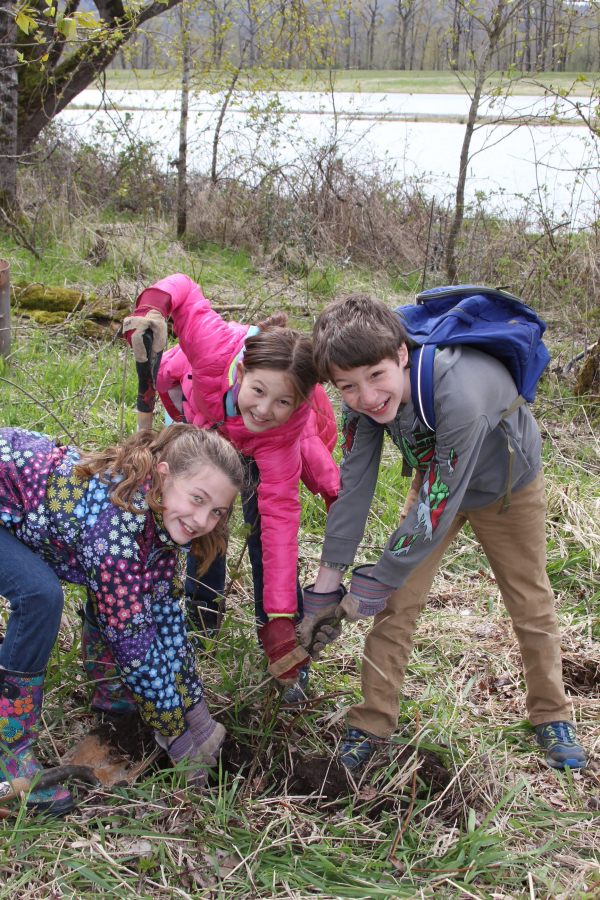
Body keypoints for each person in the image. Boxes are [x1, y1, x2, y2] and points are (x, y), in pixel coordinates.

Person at [300, 293, 587, 772]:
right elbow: (354, 486)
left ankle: (552, 714)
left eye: (376, 377)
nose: (367, 398)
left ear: (400, 354)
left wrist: (374, 582)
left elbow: (438, 505)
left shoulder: (461, 393)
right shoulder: (362, 404)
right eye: (347, 387)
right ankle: (371, 722)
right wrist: (326, 589)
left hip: (505, 487)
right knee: (397, 604)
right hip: (437, 478)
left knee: (529, 600)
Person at [0, 423, 243, 816]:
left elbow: (165, 618)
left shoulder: (158, 523)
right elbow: (134, 642)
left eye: (216, 511)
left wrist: (196, 712)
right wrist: (175, 734)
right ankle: (7, 753)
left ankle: (115, 704)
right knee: (39, 595)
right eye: (197, 499)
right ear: (163, 476)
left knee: (126, 598)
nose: (201, 520)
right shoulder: (117, 529)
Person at [123, 274, 339, 701]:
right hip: (208, 421)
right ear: (241, 372)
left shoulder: (284, 429)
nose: (265, 408)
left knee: (263, 534)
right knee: (203, 516)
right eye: (258, 391)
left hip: (272, 446)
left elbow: (281, 530)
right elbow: (182, 287)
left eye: (282, 401)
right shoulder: (211, 348)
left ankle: (282, 634)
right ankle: (201, 619)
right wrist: (153, 305)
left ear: (299, 403)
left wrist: (279, 620)